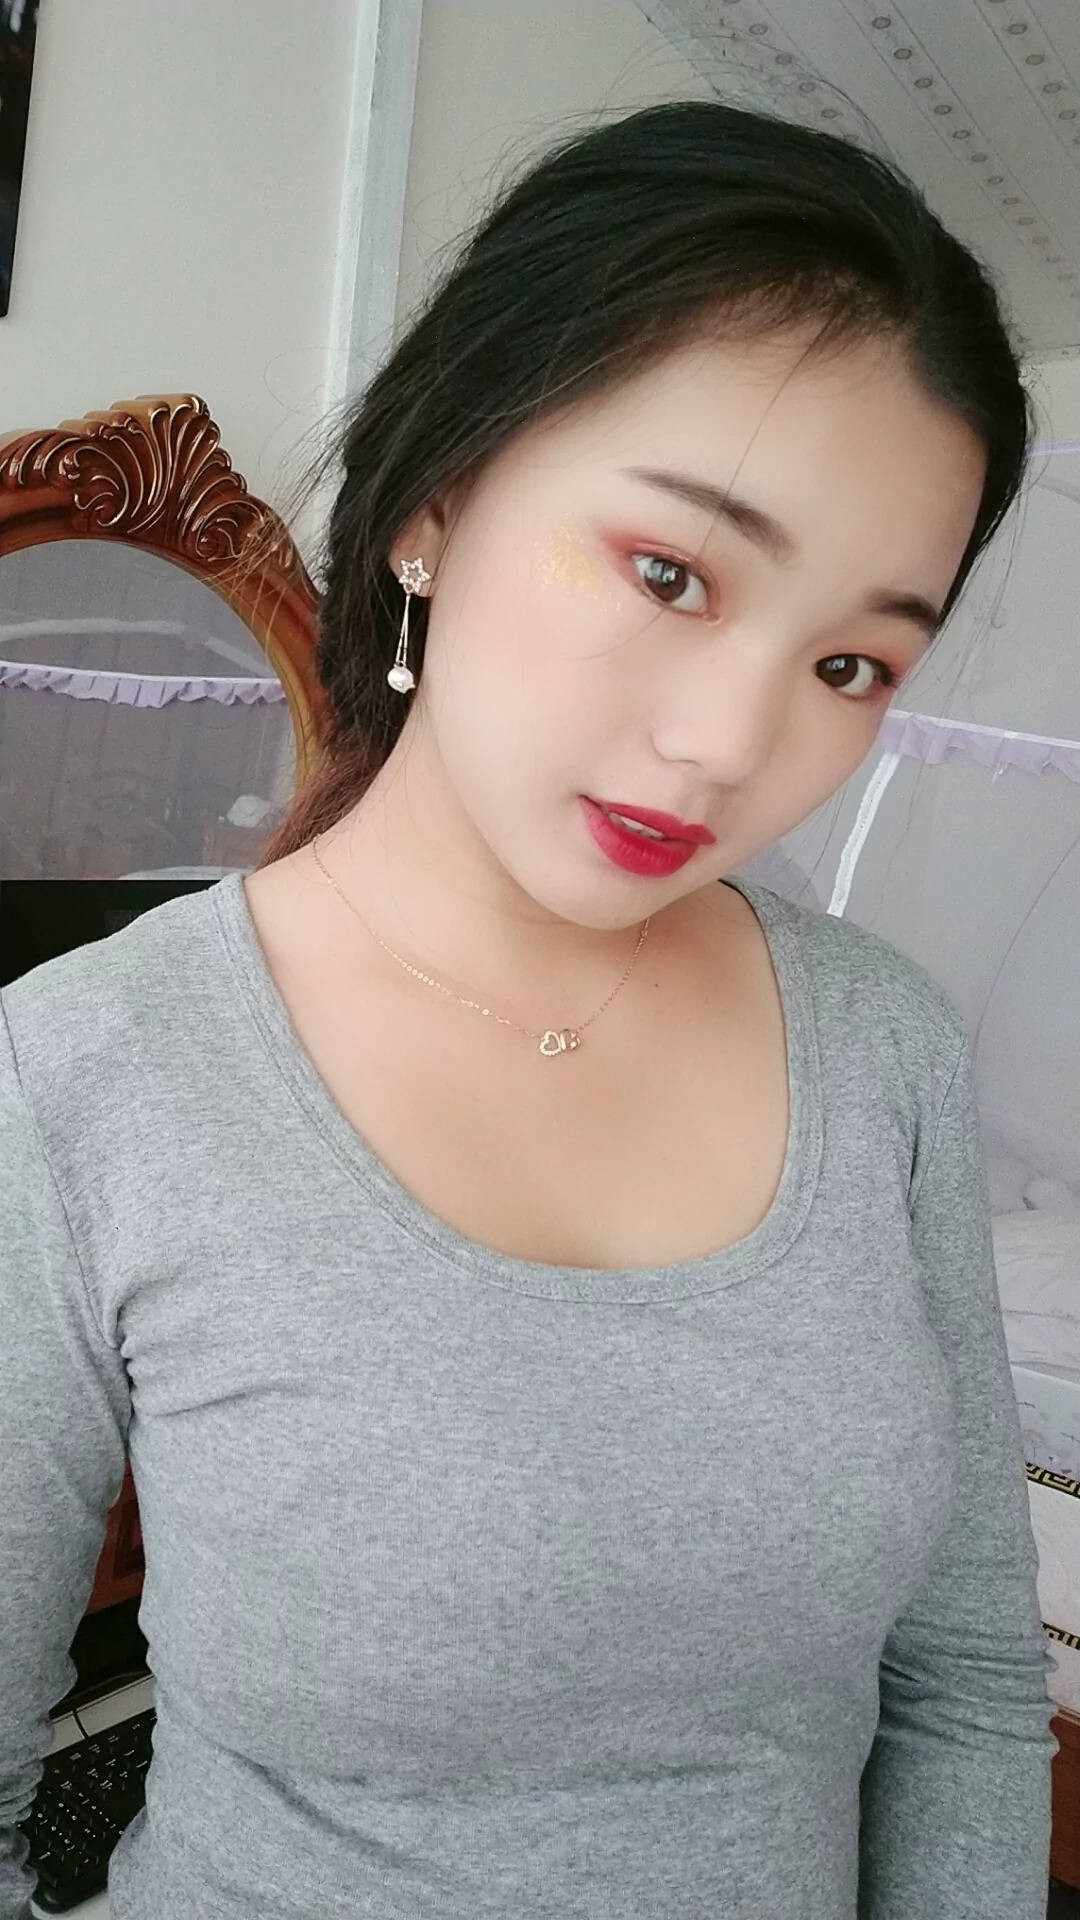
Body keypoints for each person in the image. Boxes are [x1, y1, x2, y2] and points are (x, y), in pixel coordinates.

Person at [0, 98, 1059, 1920]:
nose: (731, 743)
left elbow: (962, 1689)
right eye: (671, 573)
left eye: (848, 662)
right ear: (438, 499)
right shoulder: (85, 1073)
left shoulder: (881, 1047)